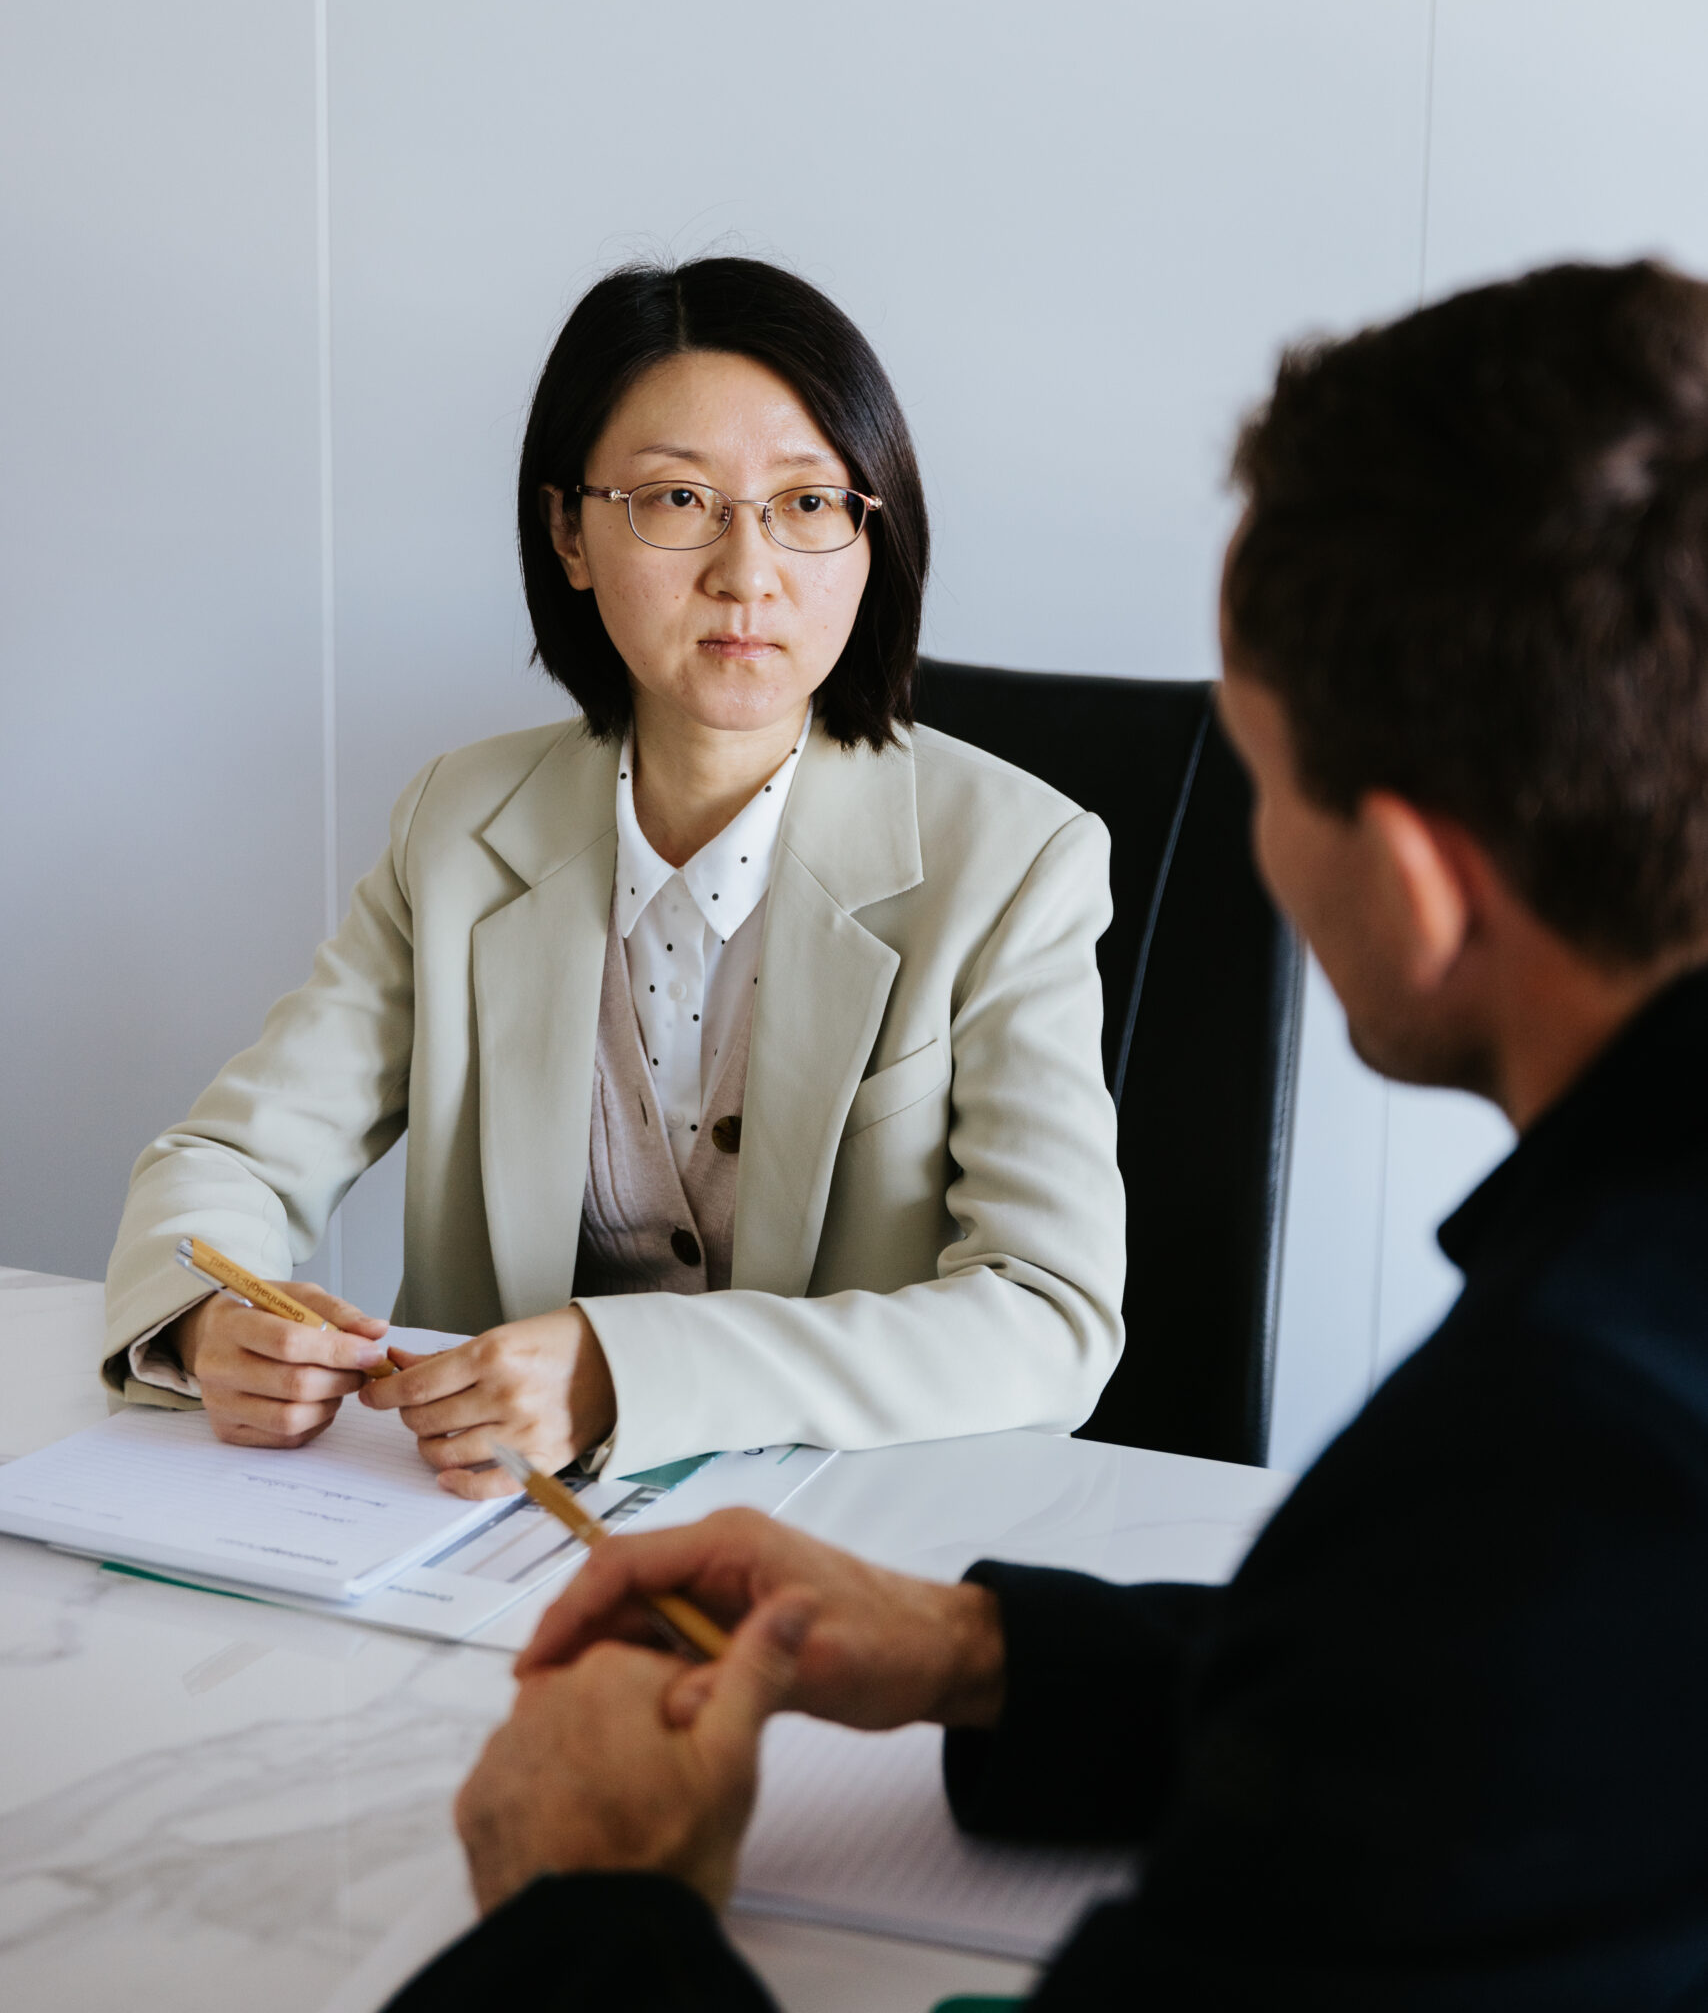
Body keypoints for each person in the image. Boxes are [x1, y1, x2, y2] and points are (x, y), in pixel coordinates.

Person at [384, 258, 1708, 2013]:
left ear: (1405, 881)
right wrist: (989, 1651)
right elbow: (1462, 1694)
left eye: (1260, 774)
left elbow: (1472, 1655)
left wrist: (593, 1899)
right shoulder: (1579, 1438)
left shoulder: (1555, 1461)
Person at [102, 257, 1125, 1485]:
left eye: (807, 504)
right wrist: (210, 1317)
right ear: (568, 534)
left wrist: (622, 1371)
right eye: (676, 498)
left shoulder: (1015, 860)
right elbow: (229, 1159)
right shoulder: (460, 824)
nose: (747, 573)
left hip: (837, 1539)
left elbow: (1049, 1315)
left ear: (869, 533)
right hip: (469, 1521)